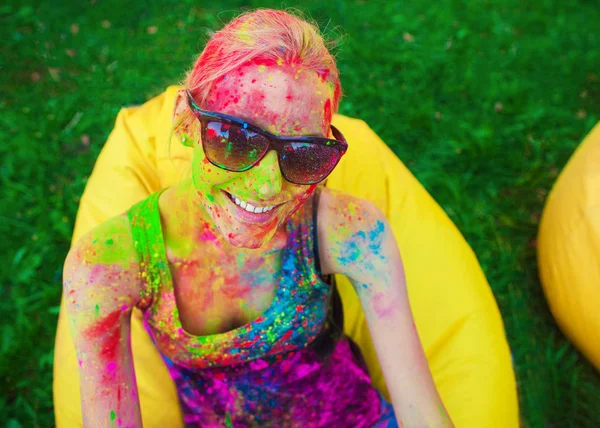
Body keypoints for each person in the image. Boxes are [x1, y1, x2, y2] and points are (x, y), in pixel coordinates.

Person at [62, 8, 454, 428]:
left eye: (305, 154)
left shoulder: (350, 233)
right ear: (184, 121)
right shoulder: (109, 266)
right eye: (234, 139)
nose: (268, 187)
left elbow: (421, 411)